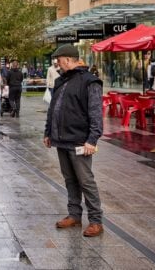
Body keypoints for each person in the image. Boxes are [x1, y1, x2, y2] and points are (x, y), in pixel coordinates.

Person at [43, 44, 104, 238]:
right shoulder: (61, 81)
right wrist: (48, 132)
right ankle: (74, 215)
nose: (58, 65)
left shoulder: (90, 82)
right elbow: (54, 107)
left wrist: (92, 140)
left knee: (86, 181)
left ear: (68, 60)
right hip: (61, 140)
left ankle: (95, 220)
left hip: (80, 141)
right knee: (69, 180)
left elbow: (96, 114)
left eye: (59, 62)